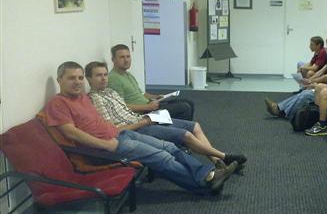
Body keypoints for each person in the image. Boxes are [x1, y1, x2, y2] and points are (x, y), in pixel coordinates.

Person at [44, 61, 236, 195]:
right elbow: (71, 133)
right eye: (71, 78)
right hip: (108, 146)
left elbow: (98, 122)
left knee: (170, 147)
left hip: (121, 134)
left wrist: (118, 130)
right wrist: (106, 144)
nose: (77, 82)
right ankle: (204, 185)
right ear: (60, 80)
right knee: (163, 157)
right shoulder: (58, 103)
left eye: (79, 78)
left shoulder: (81, 98)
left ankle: (208, 175)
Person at [85, 61, 246, 167]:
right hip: (138, 128)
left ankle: (218, 162)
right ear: (89, 79)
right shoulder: (95, 98)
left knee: (195, 126)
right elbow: (114, 129)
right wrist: (145, 118)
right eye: (99, 75)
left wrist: (150, 109)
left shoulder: (111, 91)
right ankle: (224, 156)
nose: (103, 78)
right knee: (186, 134)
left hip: (144, 118)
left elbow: (133, 102)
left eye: (105, 74)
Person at [264, 36, 327, 119]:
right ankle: (279, 107)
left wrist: (311, 81)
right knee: (304, 93)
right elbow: (322, 71)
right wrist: (310, 80)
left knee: (306, 94)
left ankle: (281, 111)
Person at [107, 44, 194, 120]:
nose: (126, 60)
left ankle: (185, 128)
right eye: (122, 57)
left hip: (150, 105)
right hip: (143, 112)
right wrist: (147, 107)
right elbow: (120, 106)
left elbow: (141, 93)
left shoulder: (127, 74)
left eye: (128, 56)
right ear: (113, 60)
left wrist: (155, 97)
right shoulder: (114, 79)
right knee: (184, 107)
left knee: (189, 102)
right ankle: (180, 130)